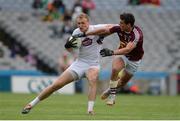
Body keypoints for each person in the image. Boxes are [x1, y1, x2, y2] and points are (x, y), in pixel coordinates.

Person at [21, 13, 107, 115]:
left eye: (83, 23)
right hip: (79, 64)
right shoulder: (76, 32)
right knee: (56, 85)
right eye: (78, 23)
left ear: (88, 22)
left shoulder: (96, 29)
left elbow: (109, 29)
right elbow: (69, 49)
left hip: (93, 64)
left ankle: (90, 110)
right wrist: (68, 46)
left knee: (92, 81)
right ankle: (31, 104)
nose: (80, 25)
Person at [74, 13, 144, 106]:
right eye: (120, 22)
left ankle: (109, 90)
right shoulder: (119, 28)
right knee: (115, 69)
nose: (120, 24)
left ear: (129, 25)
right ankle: (112, 96)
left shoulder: (137, 34)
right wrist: (85, 34)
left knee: (122, 82)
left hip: (134, 60)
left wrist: (111, 52)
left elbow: (128, 49)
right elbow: (104, 30)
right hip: (122, 55)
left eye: (122, 23)